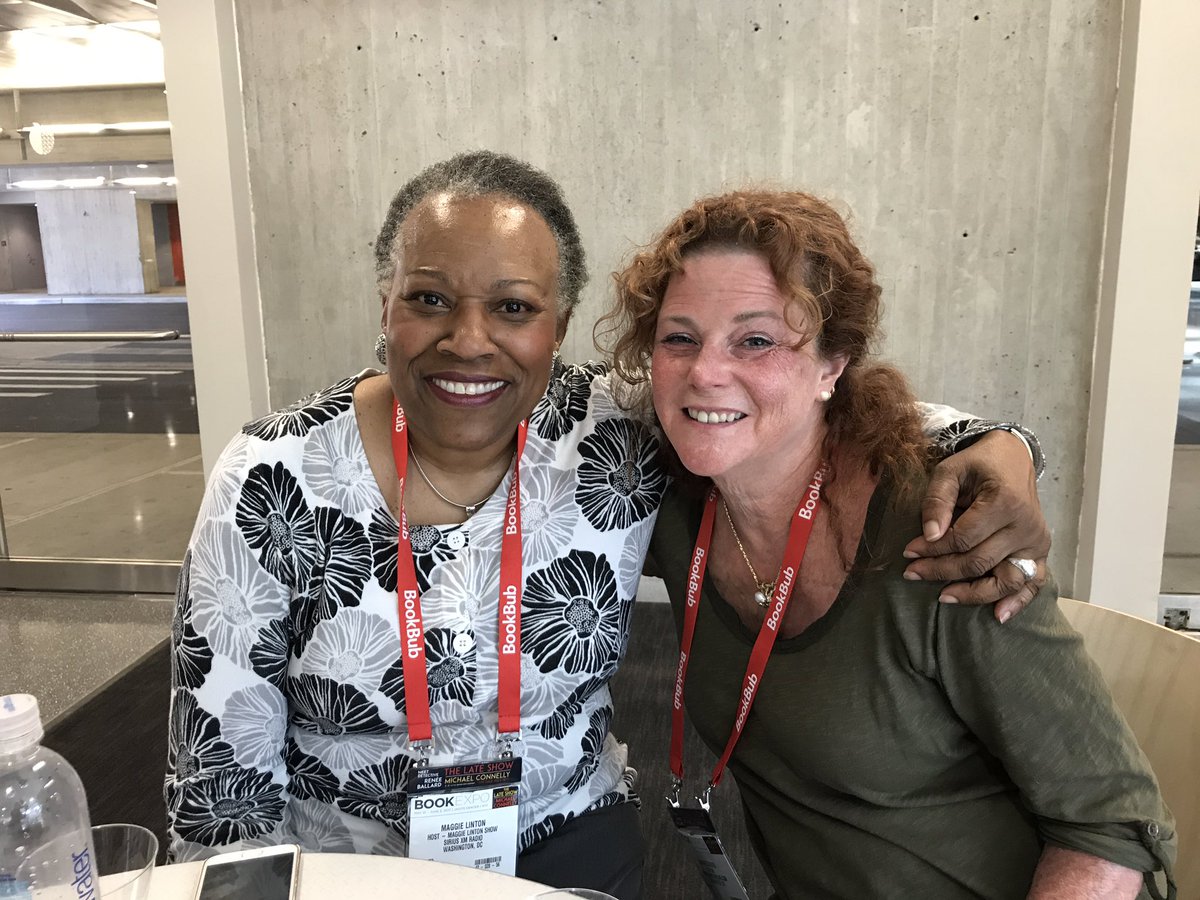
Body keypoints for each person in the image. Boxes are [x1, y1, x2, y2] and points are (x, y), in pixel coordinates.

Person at [165, 152, 1050, 898]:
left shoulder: (608, 431)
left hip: (566, 835)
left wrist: (1000, 444)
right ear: (383, 305)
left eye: (514, 308)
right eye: (429, 299)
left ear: (557, 329)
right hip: (350, 865)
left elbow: (799, 408)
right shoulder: (271, 479)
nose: (469, 340)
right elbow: (220, 792)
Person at [602, 189, 1177, 898]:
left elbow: (1111, 826)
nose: (705, 372)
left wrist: (1010, 449)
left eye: (755, 340)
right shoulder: (664, 507)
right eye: (679, 337)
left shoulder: (947, 535)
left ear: (831, 365)